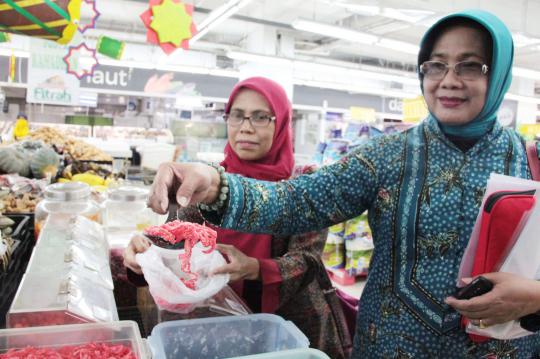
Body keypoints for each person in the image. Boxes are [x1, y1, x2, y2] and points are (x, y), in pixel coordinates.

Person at [144, 10, 540, 358]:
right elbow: (296, 202)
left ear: (500, 72)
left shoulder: (532, 162)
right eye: (435, 65)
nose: (448, 80)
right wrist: (214, 182)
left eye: (469, 66)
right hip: (390, 345)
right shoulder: (386, 156)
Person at [124, 77, 349, 359]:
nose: (245, 127)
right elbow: (179, 241)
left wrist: (255, 267)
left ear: (281, 124)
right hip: (215, 323)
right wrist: (144, 254)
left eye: (260, 117)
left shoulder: (303, 183)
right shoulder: (208, 181)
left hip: (287, 327)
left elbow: (308, 260)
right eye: (237, 115)